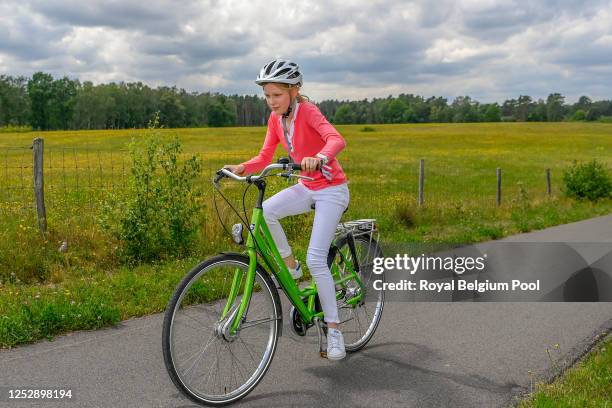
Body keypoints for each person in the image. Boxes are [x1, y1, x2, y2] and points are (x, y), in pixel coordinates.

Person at [224, 58, 350, 360]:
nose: (271, 101)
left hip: (331, 189)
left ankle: (334, 330)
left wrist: (319, 157)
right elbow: (265, 154)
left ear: (294, 90)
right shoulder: (275, 120)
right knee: (266, 213)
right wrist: (242, 166)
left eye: (276, 95)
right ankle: (290, 266)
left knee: (317, 258)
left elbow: (337, 139)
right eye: (267, 96)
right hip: (307, 185)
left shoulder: (308, 112)